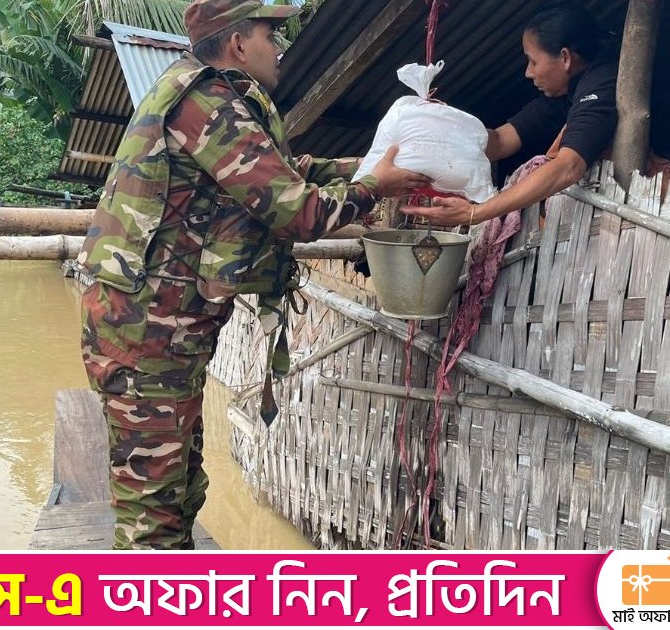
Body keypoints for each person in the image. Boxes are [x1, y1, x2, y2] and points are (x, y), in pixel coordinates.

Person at [76, 0, 430, 550]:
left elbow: (283, 171)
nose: (282, 48)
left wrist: (369, 167)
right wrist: (371, 189)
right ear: (238, 44)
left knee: (179, 490)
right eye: (272, 33)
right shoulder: (207, 103)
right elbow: (296, 211)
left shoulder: (209, 99)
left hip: (159, 331)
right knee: (152, 517)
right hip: (146, 333)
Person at [403, 3, 616, 226]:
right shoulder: (563, 94)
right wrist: (434, 128)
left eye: (533, 61)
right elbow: (499, 141)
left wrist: (475, 213)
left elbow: (568, 167)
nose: (528, 72)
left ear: (565, 58)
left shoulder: (600, 85)